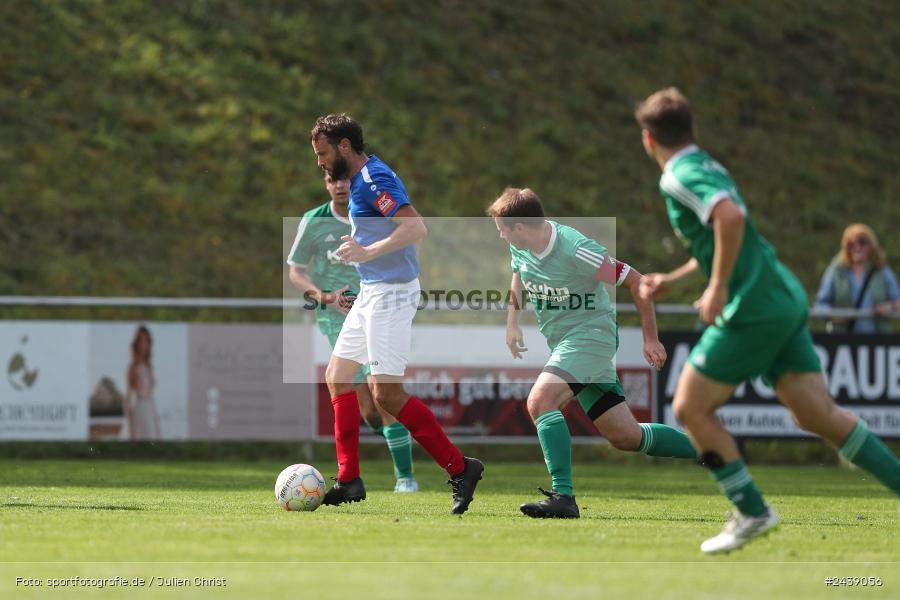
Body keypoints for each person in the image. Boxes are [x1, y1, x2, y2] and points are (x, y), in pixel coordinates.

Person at [634, 87, 900, 553]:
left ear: (647, 139)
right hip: (782, 294)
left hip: (753, 306)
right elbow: (722, 238)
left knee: (690, 408)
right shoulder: (709, 166)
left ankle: (751, 510)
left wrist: (717, 289)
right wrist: (676, 281)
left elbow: (730, 219)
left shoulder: (677, 175)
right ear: (691, 129)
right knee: (818, 415)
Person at [310, 113, 484, 514]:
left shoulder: (373, 180)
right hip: (373, 290)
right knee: (337, 377)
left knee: (385, 393)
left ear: (345, 147)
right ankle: (349, 478)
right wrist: (359, 250)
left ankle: (461, 468)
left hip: (391, 295)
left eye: (322, 154)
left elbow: (415, 228)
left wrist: (366, 252)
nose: (319, 162)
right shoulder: (360, 181)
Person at [488, 188, 697, 519]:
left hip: (591, 337)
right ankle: (712, 451)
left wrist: (651, 339)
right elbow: (518, 272)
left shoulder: (575, 249)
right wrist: (512, 322)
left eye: (502, 229)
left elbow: (638, 282)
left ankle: (563, 497)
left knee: (540, 401)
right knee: (626, 436)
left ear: (521, 228)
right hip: (567, 343)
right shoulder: (524, 247)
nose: (500, 235)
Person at [287, 170, 419, 493]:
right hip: (336, 320)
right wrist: (324, 297)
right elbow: (296, 271)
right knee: (370, 410)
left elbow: (407, 237)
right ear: (326, 184)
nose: (339, 185)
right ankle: (381, 443)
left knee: (383, 392)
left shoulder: (371, 211)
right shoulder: (313, 220)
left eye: (343, 180)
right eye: (332, 180)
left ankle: (405, 477)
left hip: (376, 309)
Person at [815, 224, 900, 333]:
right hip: (843, 340)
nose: (856, 247)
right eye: (850, 244)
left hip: (877, 339)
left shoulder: (881, 270)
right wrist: (834, 315)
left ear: (871, 245)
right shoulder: (836, 271)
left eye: (862, 242)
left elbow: (898, 299)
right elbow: (820, 305)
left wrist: (890, 306)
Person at [126, 325, 160, 440]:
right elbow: (128, 398)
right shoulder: (133, 366)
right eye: (141, 340)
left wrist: (156, 418)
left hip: (151, 409)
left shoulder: (149, 366)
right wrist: (130, 428)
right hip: (140, 411)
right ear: (136, 343)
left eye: (146, 340)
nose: (143, 344)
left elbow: (151, 394)